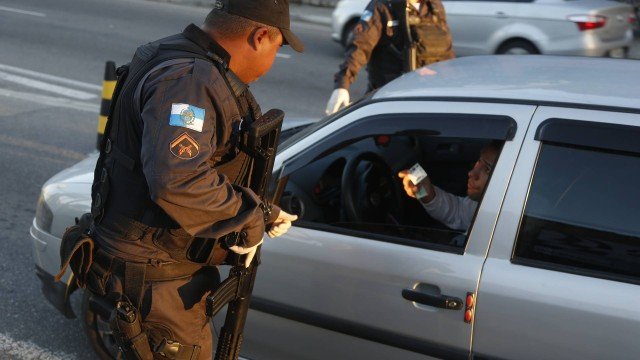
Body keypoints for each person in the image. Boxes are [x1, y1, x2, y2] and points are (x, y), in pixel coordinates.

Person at [86, 1, 303, 358]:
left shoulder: (178, 56)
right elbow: (178, 179)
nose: (273, 63)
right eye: (277, 50)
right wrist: (245, 221)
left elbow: (203, 164)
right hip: (156, 279)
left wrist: (261, 211)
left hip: (152, 269)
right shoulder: (190, 82)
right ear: (260, 36)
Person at [325, 0, 454, 115]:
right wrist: (342, 84)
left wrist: (454, 84)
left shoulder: (434, 7)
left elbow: (446, 52)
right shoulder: (382, 7)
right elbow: (360, 46)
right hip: (389, 99)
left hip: (429, 97)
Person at [398, 143, 500, 231]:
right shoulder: (485, 204)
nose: (471, 173)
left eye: (487, 169)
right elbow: (459, 212)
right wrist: (427, 194)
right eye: (479, 161)